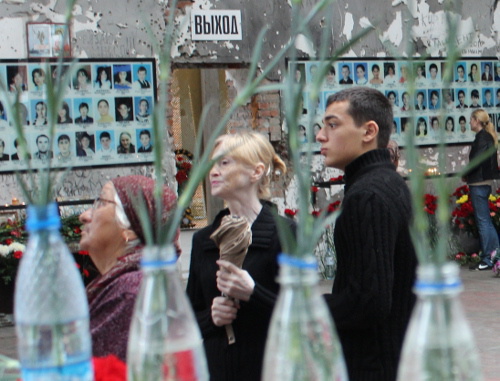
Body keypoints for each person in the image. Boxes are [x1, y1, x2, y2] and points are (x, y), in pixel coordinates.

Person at [315, 87, 417, 381]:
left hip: (374, 364)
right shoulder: (386, 182)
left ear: (369, 131)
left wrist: (297, 307)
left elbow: (368, 303)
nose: (321, 136)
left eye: (332, 125)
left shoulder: (368, 196)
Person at [186, 130, 293, 381]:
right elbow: (187, 319)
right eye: (213, 164)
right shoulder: (204, 241)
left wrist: (253, 293)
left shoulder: (286, 235)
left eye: (224, 163)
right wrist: (211, 318)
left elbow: (302, 316)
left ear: (255, 172)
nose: (213, 171)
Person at [80, 175, 180, 361]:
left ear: (131, 231)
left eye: (101, 203)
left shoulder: (131, 292)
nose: (84, 215)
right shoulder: (131, 283)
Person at [463, 109, 499, 271]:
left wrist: (465, 173)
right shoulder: (486, 137)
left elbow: (477, 160)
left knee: (483, 222)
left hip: (478, 182)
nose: (469, 122)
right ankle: (494, 255)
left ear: (477, 120)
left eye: (471, 119)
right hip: (483, 181)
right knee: (486, 221)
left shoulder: (482, 138)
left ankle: (488, 258)